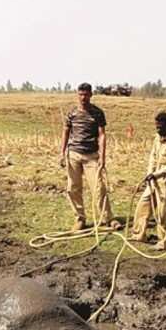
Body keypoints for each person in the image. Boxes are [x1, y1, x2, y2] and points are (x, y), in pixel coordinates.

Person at [59, 82, 121, 231]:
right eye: (80, 94)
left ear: (91, 95)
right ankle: (80, 219)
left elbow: (102, 135)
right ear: (77, 95)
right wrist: (62, 153)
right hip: (73, 154)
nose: (83, 97)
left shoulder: (97, 113)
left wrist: (103, 158)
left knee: (99, 188)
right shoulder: (72, 113)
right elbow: (65, 132)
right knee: (73, 188)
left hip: (91, 156)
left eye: (86, 94)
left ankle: (108, 218)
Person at [130, 111, 166, 250]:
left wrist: (156, 174)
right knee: (142, 206)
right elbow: (152, 158)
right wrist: (149, 174)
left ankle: (163, 242)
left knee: (162, 214)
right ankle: (139, 234)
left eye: (160, 127)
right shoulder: (156, 138)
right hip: (152, 181)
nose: (158, 129)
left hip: (165, 183)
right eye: (156, 126)